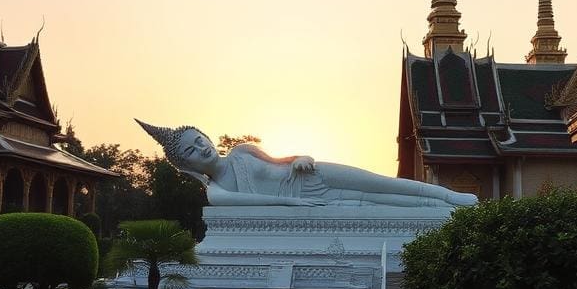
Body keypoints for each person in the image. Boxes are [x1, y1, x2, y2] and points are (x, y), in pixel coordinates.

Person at [136, 121, 478, 209]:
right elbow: (263, 202)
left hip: (310, 175)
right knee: (376, 202)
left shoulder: (241, 150)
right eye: (192, 151)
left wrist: (300, 158)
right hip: (308, 200)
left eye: (200, 140)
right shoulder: (218, 193)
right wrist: (295, 203)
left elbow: (278, 159)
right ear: (185, 165)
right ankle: (439, 207)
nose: (202, 148)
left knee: (380, 182)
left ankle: (448, 196)